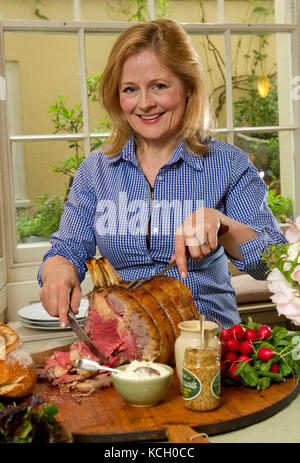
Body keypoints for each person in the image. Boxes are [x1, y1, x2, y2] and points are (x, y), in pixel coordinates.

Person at [38, 19, 286, 330]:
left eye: (159, 86)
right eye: (131, 89)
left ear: (187, 88)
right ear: (117, 97)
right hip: (126, 344)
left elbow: (275, 265)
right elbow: (68, 249)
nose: (144, 103)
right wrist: (58, 270)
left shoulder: (228, 164)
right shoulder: (95, 171)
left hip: (208, 343)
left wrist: (223, 224)